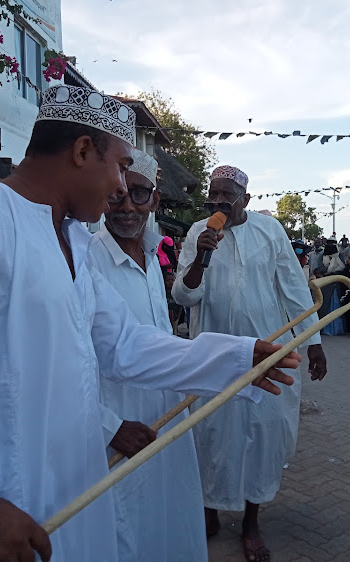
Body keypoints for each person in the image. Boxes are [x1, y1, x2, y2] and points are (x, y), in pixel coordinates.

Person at [0, 86, 300, 562]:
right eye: (119, 165)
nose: (120, 189)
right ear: (82, 151)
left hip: (71, 497)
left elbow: (127, 346)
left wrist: (237, 358)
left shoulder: (72, 242)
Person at [172, 165, 327, 562]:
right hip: (214, 353)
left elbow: (293, 288)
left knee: (262, 434)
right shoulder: (196, 233)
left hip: (268, 352)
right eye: (213, 196)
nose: (219, 202)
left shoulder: (270, 231)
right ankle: (208, 512)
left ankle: (251, 521)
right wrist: (202, 257)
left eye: (227, 196)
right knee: (210, 433)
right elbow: (184, 298)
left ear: (246, 199)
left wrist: (314, 342)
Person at [86, 149, 206, 561]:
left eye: (138, 194)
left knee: (170, 516)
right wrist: (109, 426)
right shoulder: (86, 259)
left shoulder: (153, 256)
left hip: (168, 415)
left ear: (155, 199)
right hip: (118, 424)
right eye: (116, 196)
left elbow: (156, 338)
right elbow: (70, 359)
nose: (126, 207)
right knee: (124, 527)